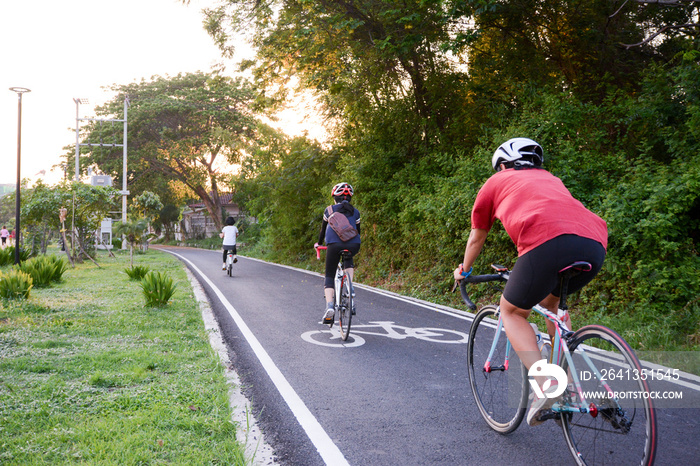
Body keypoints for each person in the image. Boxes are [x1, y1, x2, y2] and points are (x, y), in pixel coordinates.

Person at [453, 137, 607, 426]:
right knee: (553, 304)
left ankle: (548, 386)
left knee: (512, 311)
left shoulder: (497, 181)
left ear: (502, 165)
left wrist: (464, 270)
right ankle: (569, 385)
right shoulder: (551, 179)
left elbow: (478, 234)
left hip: (546, 243)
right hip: (594, 243)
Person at [314, 182, 361, 324]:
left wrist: (319, 244)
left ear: (335, 197)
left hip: (334, 245)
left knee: (329, 274)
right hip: (354, 244)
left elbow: (323, 231)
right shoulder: (356, 212)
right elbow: (358, 232)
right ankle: (350, 289)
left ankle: (330, 307)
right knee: (348, 257)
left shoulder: (329, 210)